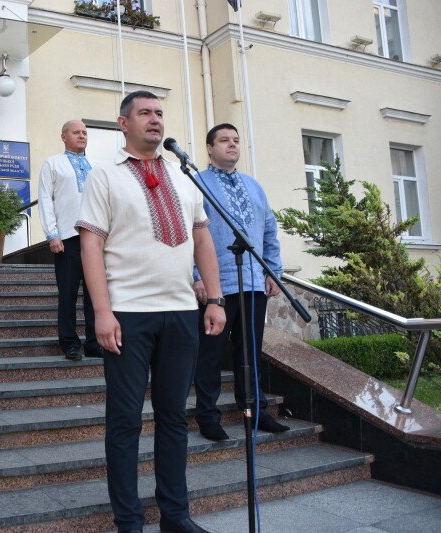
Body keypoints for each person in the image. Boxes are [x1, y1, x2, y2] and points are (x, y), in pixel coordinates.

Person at [78, 90, 226, 533]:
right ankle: (129, 520)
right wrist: (102, 312)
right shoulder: (104, 175)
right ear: (123, 123)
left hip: (180, 311)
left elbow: (202, 238)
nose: (155, 119)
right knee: (125, 421)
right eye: (144, 113)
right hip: (127, 313)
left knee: (173, 418)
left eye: (159, 113)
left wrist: (215, 298)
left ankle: (175, 516)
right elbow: (90, 245)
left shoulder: (184, 176)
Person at [192, 123, 289, 442]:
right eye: (224, 140)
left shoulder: (254, 185)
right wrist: (196, 276)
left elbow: (269, 229)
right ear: (210, 148)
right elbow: (188, 232)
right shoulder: (197, 183)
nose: (232, 144)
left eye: (235, 140)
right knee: (210, 354)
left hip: (253, 283)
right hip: (216, 286)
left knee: (250, 353)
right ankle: (208, 417)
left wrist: (272, 270)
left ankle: (256, 411)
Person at [38, 120, 100, 361]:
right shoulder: (53, 163)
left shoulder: (96, 165)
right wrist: (52, 234)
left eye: (85, 132)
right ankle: (69, 343)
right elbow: (45, 198)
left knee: (95, 293)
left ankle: (94, 343)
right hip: (67, 237)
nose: (82, 136)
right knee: (68, 293)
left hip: (94, 238)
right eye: (76, 132)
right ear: (64, 136)